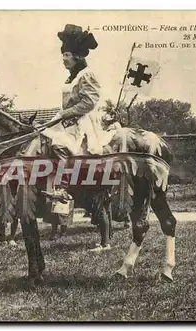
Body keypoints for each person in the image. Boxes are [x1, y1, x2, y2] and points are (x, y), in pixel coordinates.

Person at [42, 24, 116, 252]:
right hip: (69, 123)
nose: (63, 59)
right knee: (46, 138)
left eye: (66, 55)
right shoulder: (71, 79)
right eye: (62, 55)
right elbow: (66, 107)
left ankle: (62, 187)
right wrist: (53, 119)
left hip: (84, 124)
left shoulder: (87, 75)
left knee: (60, 145)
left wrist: (66, 114)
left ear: (76, 56)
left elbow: (89, 102)